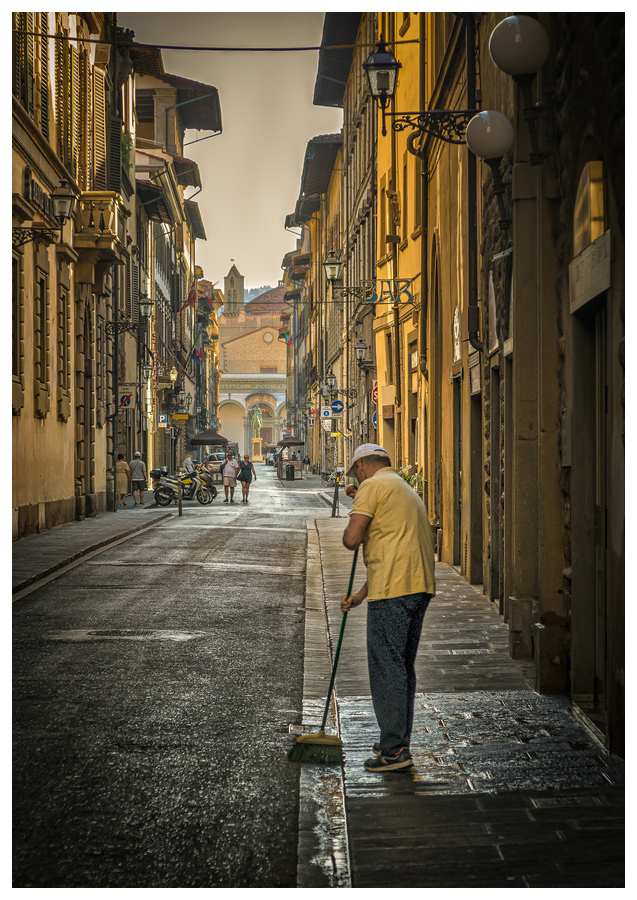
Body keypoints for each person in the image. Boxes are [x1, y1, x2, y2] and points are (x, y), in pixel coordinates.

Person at [341, 443, 435, 773]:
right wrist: (360, 595)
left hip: (394, 592)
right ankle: (396, 740)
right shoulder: (402, 488)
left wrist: (357, 513)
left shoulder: (372, 487)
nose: (357, 476)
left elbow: (352, 539)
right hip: (416, 587)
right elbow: (395, 547)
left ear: (362, 466)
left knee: (386, 668)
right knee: (401, 667)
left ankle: (394, 750)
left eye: (357, 472)